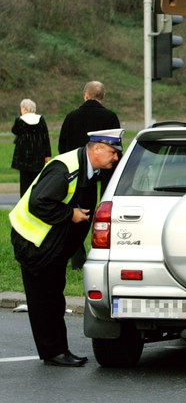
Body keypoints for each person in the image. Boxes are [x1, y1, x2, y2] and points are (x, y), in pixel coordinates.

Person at [8, 128, 124, 367]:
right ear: (97, 148)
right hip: (34, 242)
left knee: (53, 297)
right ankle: (54, 352)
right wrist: (69, 214)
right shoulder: (65, 170)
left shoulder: (89, 168)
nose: (115, 158)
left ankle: (56, 350)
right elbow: (38, 202)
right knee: (44, 299)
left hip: (52, 243)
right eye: (113, 152)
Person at [58, 81, 120, 269]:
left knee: (79, 213)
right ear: (102, 96)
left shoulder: (71, 117)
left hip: (77, 171)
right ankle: (101, 249)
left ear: (85, 95)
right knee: (100, 212)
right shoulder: (110, 117)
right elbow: (117, 146)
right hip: (105, 171)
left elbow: (63, 146)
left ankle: (77, 257)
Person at [11, 98, 52, 196]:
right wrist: (48, 155)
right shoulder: (41, 119)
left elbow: (14, 130)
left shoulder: (19, 120)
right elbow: (45, 137)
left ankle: (24, 204)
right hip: (38, 155)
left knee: (24, 183)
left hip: (23, 156)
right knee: (37, 182)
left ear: (24, 108)